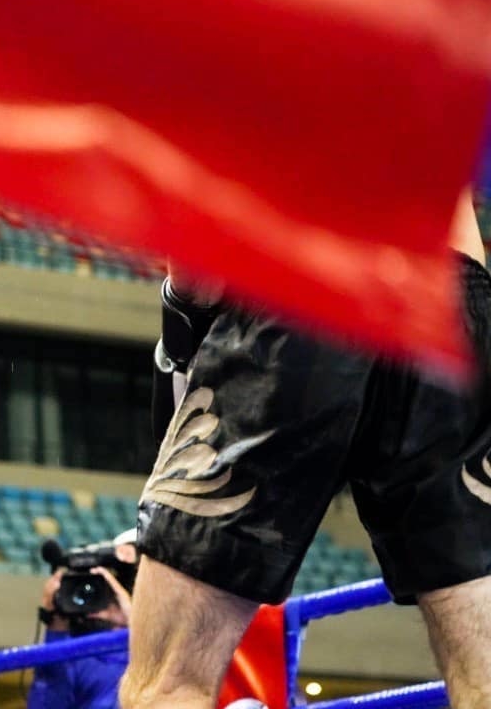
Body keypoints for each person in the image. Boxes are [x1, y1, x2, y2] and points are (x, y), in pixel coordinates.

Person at [121, 188, 491, 709]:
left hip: (302, 267)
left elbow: (194, 256)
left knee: (168, 682)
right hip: (451, 297)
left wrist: (185, 326)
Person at [28, 531, 138, 709]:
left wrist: (136, 626)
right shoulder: (84, 650)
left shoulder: (175, 648)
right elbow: (47, 703)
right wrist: (56, 628)